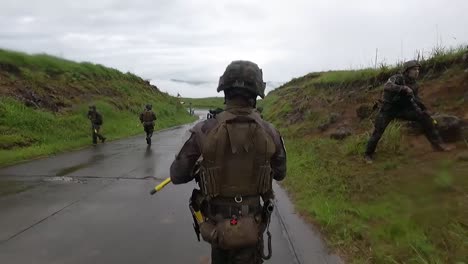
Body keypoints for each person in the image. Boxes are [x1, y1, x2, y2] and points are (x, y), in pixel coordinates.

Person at [170, 60, 287, 264]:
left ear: (225, 92)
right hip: (253, 224)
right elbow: (280, 173)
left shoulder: (204, 130)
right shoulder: (270, 132)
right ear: (256, 94)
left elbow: (177, 175)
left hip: (216, 224)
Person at [364, 60, 450, 163]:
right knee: (377, 132)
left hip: (403, 110)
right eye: (414, 69)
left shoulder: (414, 84)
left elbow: (416, 99)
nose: (417, 71)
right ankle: (368, 155)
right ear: (406, 71)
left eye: (418, 69)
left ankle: (437, 145)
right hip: (388, 110)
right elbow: (387, 86)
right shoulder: (397, 78)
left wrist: (424, 109)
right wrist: (402, 88)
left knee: (425, 118)